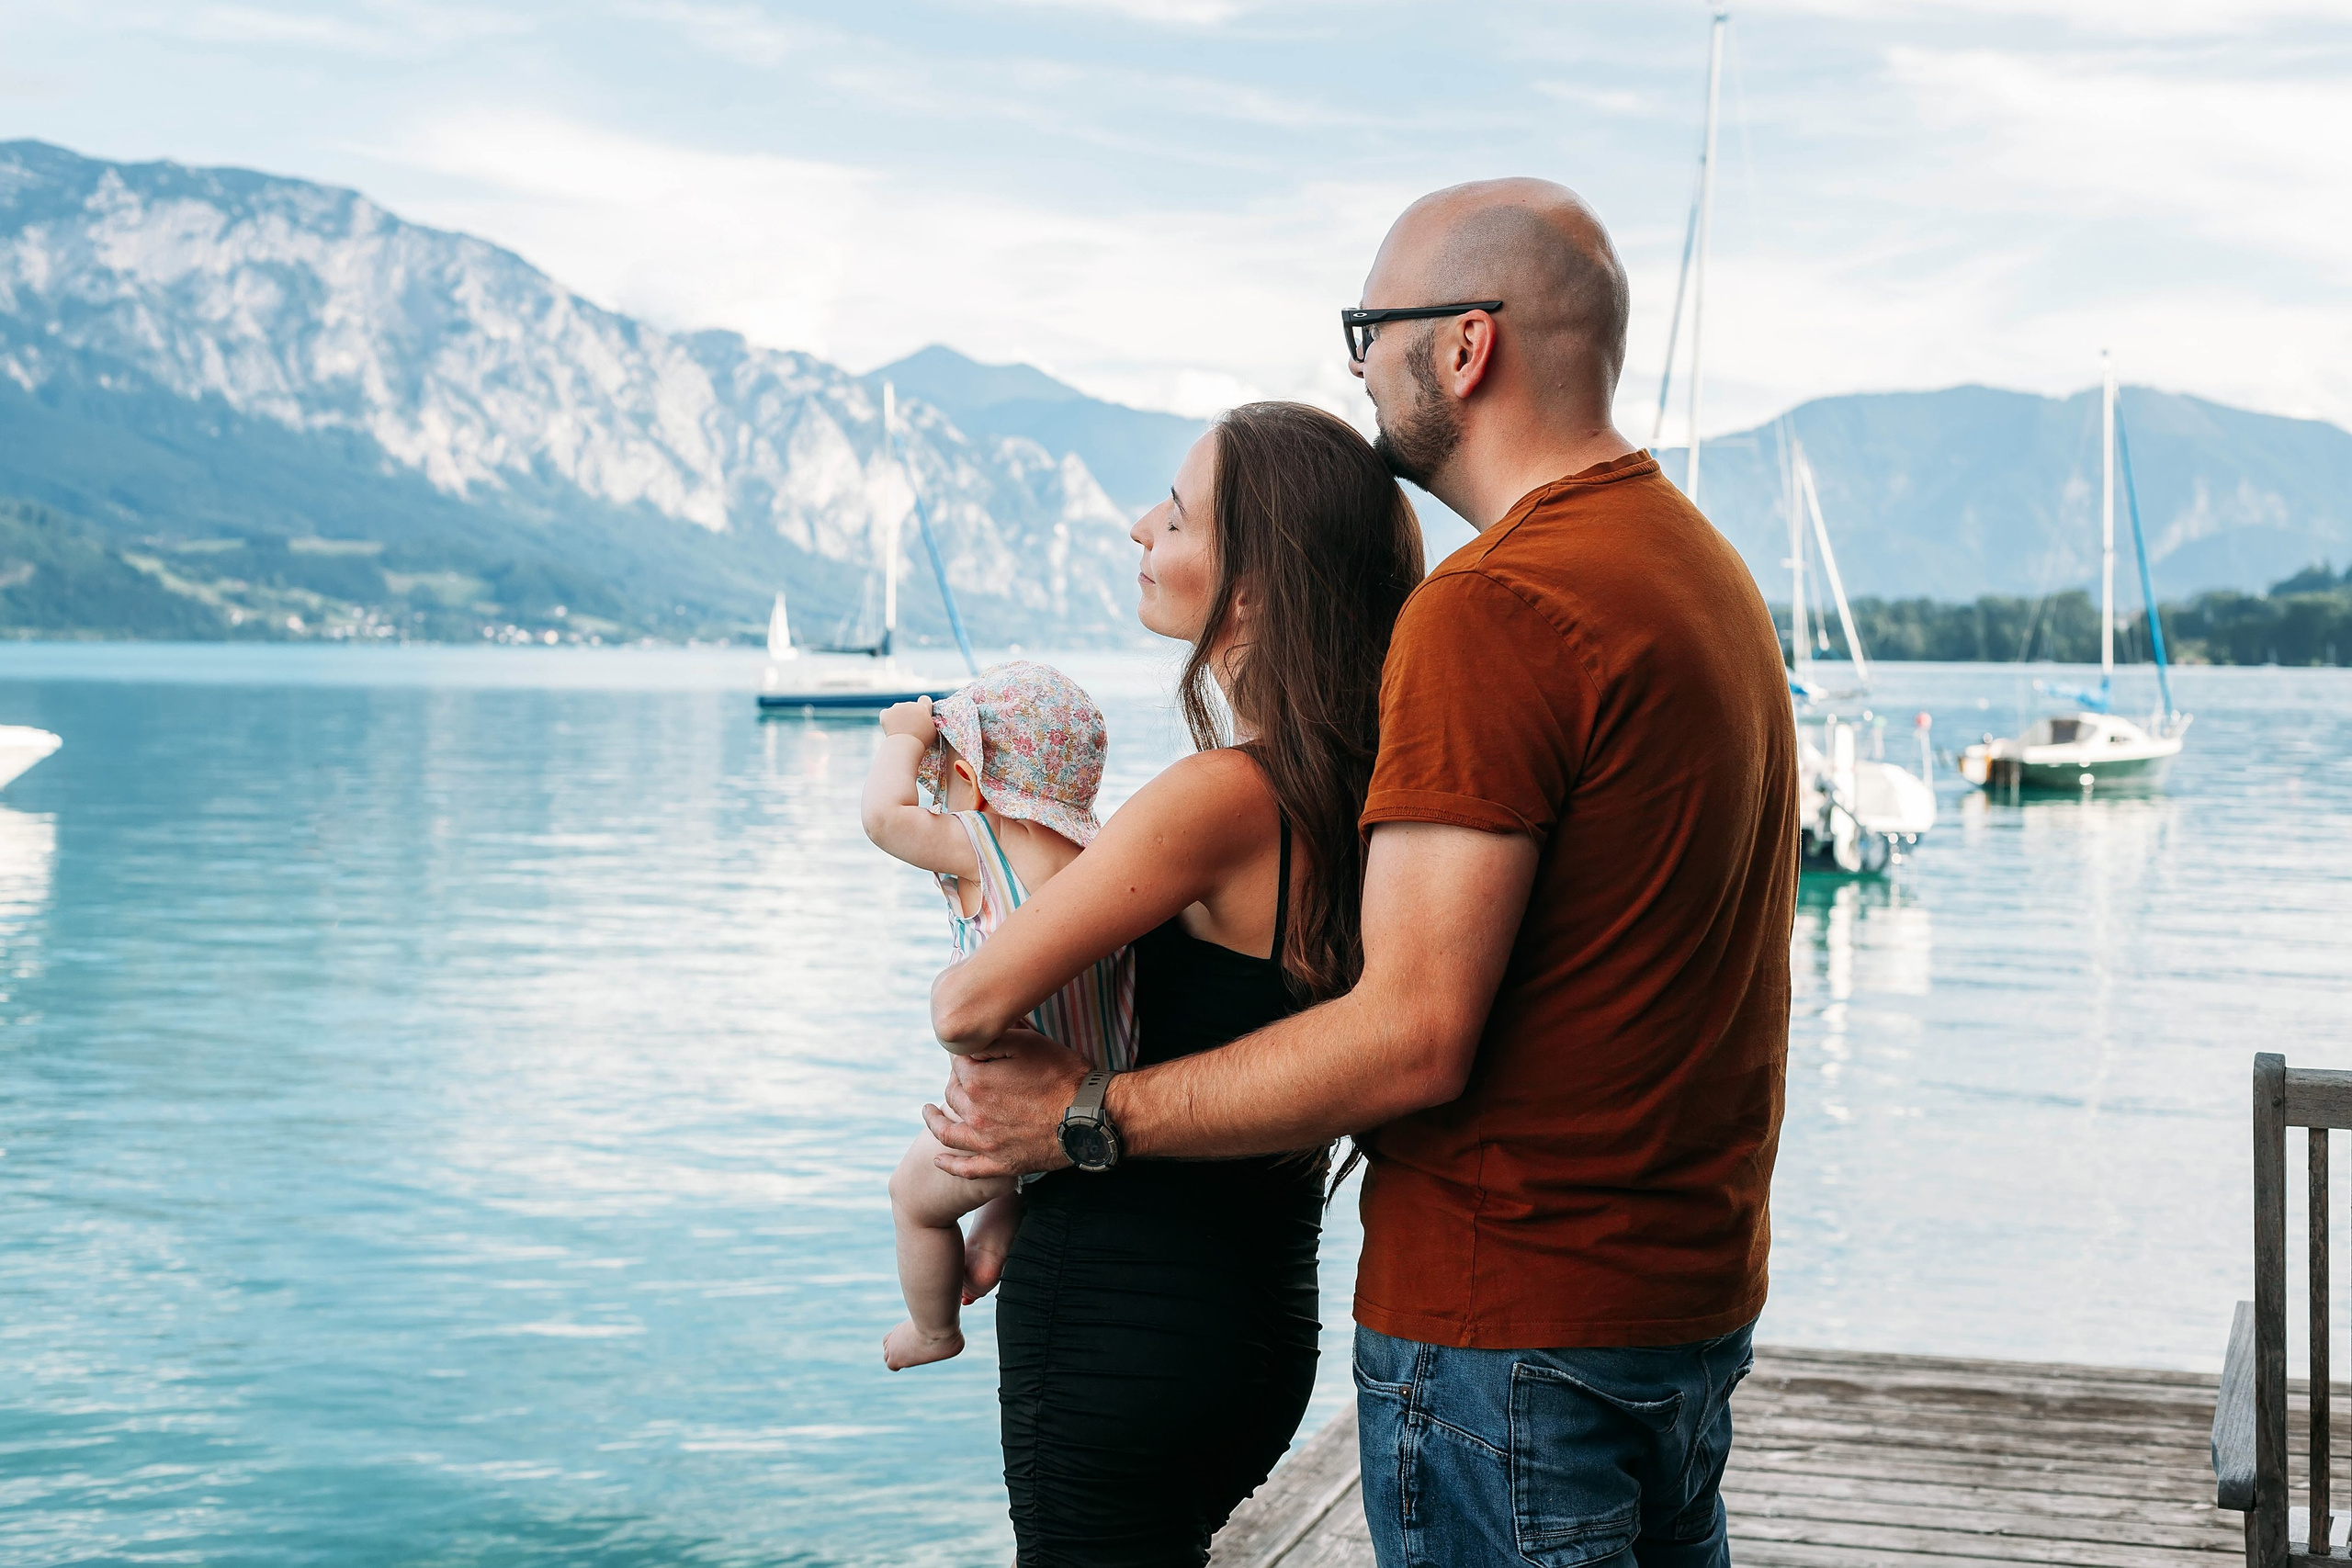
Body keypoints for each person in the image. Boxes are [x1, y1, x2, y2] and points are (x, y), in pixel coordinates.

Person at [928, 177, 1799, 1568]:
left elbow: (1412, 1031)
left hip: (1510, 1333)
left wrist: (1085, 1114)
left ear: (1465, 346)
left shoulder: (1496, 605)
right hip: (1678, 1308)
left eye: (1368, 327)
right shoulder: (1699, 572)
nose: (1356, 367)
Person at [924, 401, 1424, 1565]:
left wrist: (981, 845)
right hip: (1256, 1324)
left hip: (1119, 1319)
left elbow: (967, 1006)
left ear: (1248, 593)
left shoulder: (1221, 797)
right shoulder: (1356, 797)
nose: (1138, 526)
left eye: (1178, 512)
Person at [857, 661, 1135, 1371]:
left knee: (913, 1198)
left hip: (1009, 1108)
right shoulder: (1102, 857)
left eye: (942, 780)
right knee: (1003, 1185)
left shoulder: (980, 842)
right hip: (1098, 1086)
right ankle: (999, 1225)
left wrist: (905, 739)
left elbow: (883, 819)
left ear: (973, 785)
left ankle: (933, 1327)